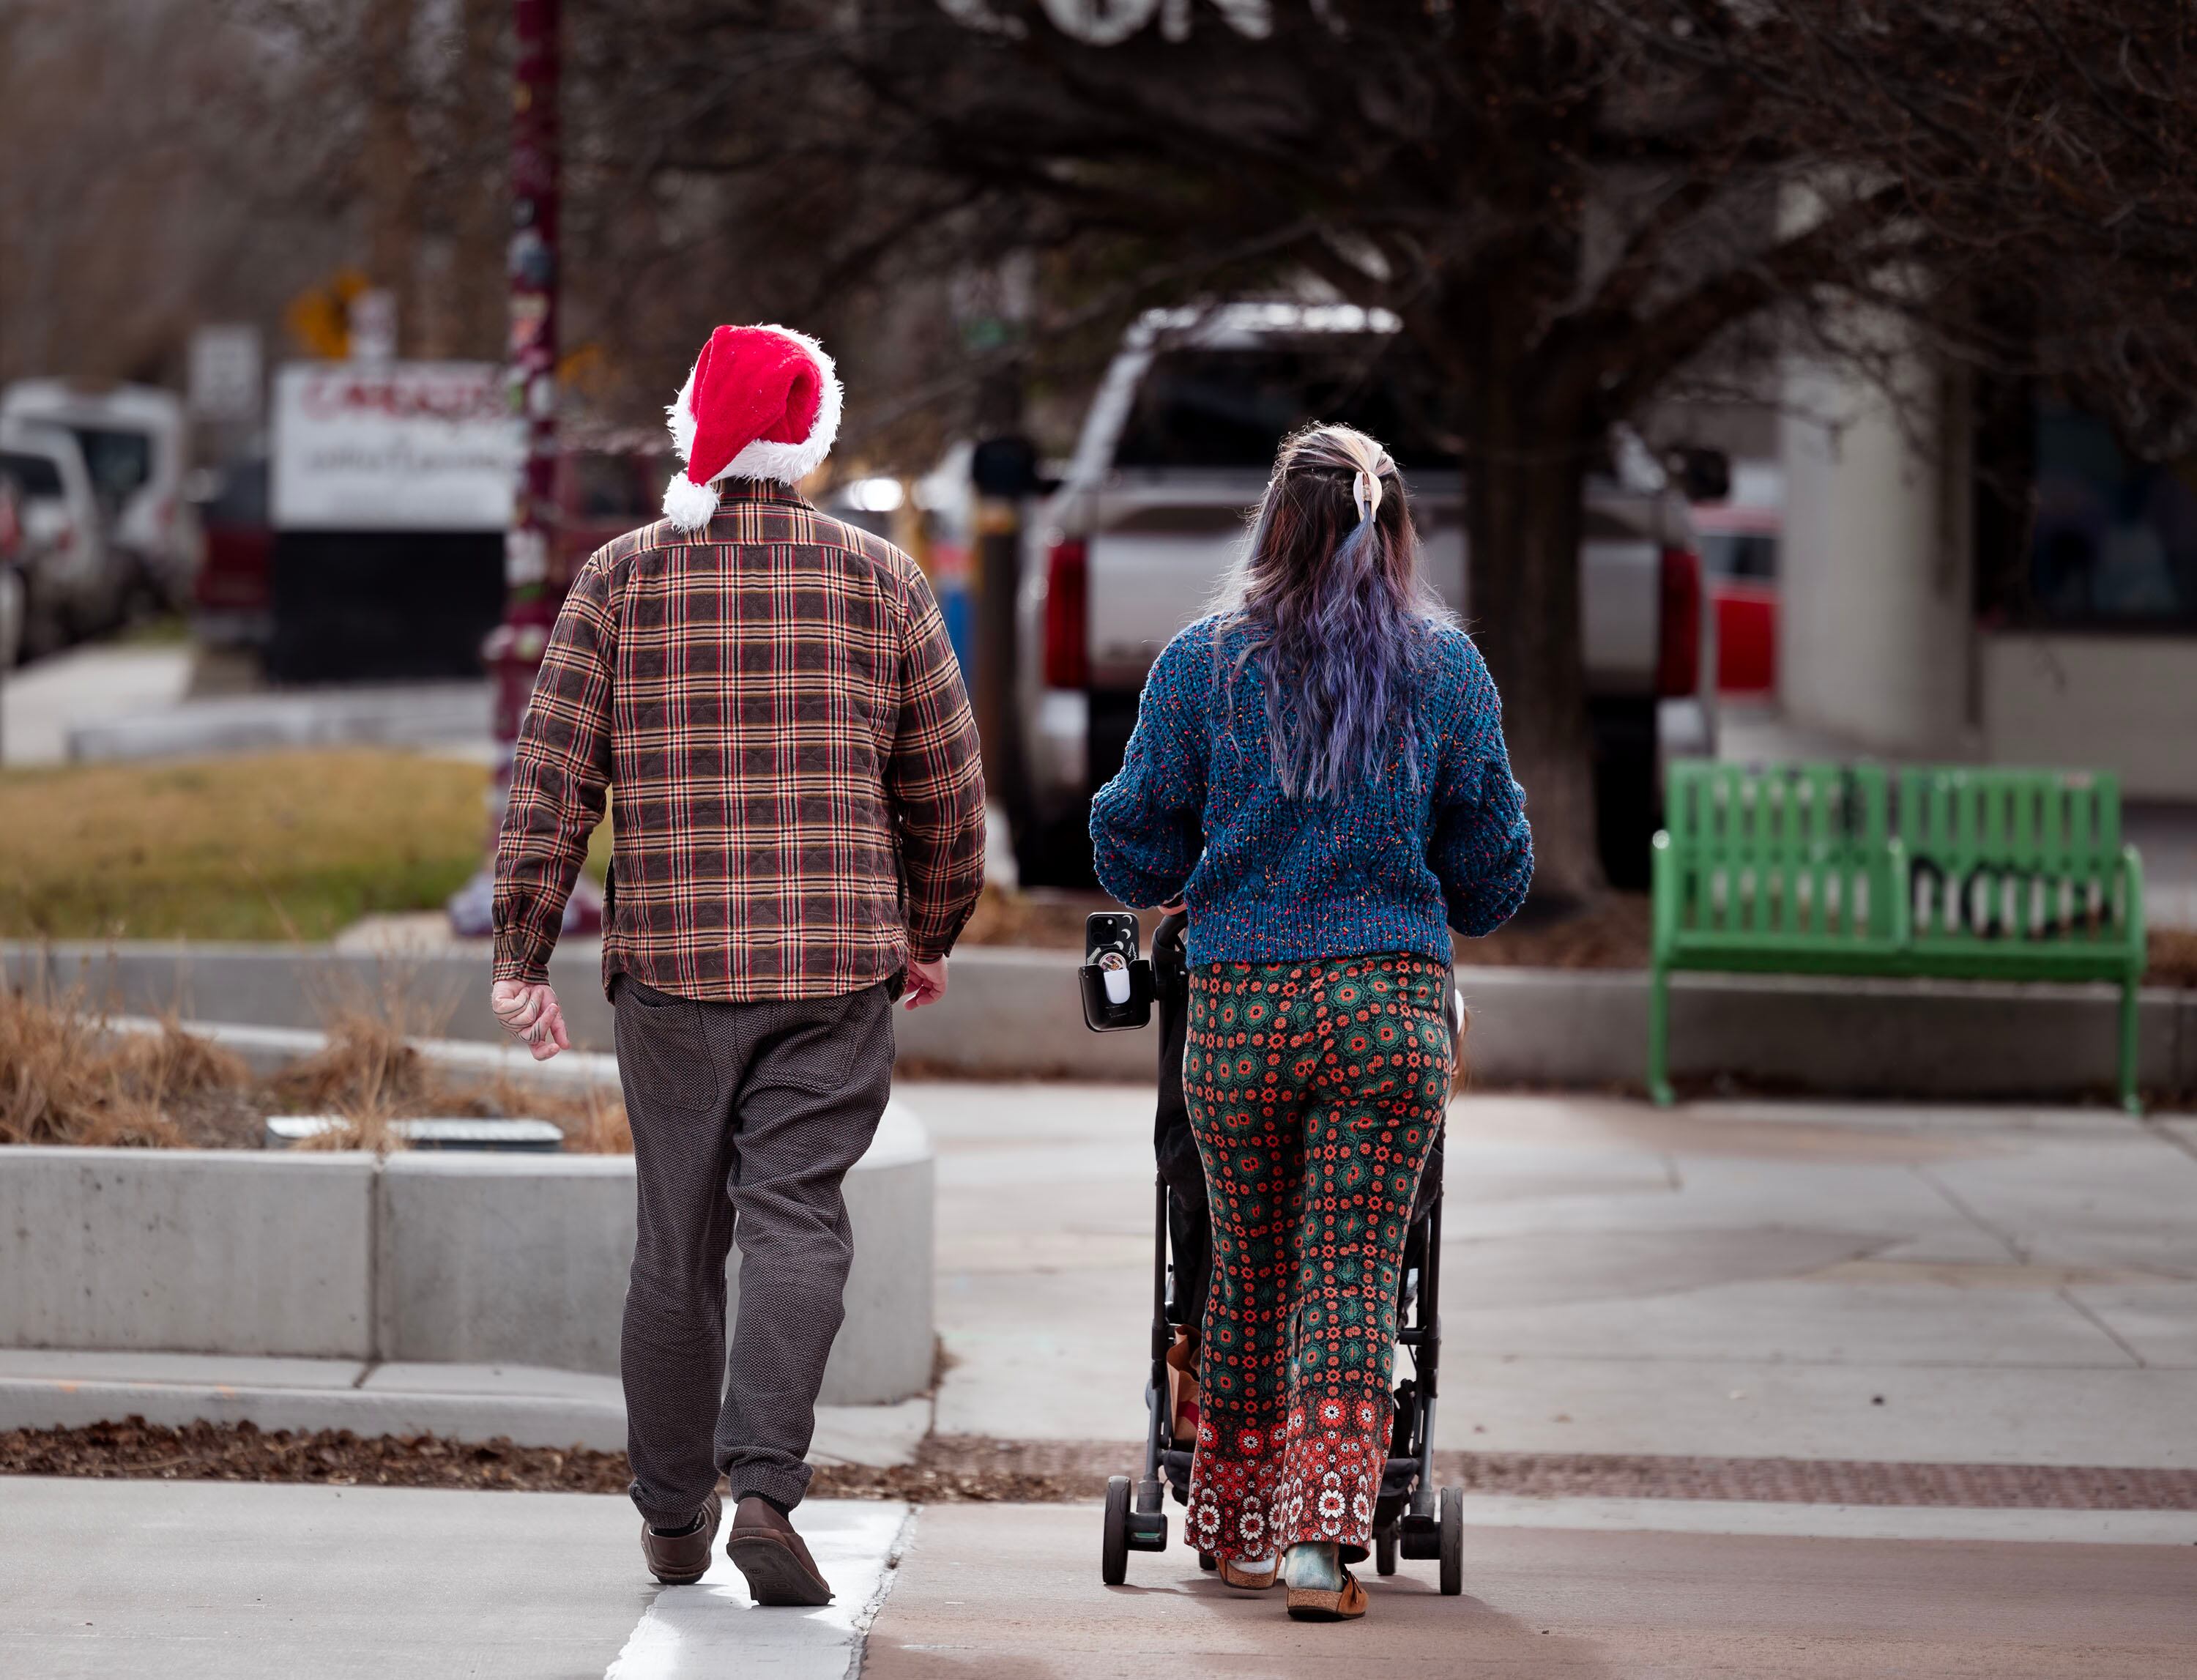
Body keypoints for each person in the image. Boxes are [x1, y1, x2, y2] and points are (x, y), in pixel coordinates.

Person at [488, 323, 986, 1605]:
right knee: (798, 1222)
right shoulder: (883, 583)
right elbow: (949, 789)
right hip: (832, 968)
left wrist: (522, 948)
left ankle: (671, 1516)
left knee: (675, 1243)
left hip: (670, 972)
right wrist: (929, 929)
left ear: (691, 426)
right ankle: (763, 1481)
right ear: (810, 434)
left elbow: (554, 774)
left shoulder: (620, 580)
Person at [1090, 423, 1531, 1623]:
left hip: (1238, 1014)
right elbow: (1494, 875)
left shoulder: (1200, 663)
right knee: (1348, 1272)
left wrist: (1208, 854)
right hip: (1386, 1011)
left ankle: (1232, 1530)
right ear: (1393, 533)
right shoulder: (1448, 673)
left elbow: (1129, 840)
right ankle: (1322, 1547)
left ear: (1272, 525)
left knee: (1245, 1261)